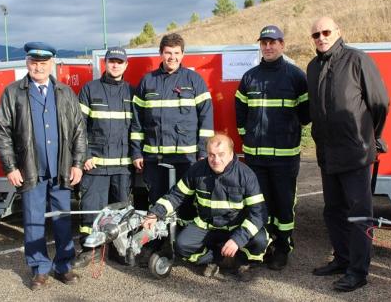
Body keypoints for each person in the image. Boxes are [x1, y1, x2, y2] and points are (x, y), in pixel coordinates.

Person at [307, 17, 389, 292]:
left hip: (355, 153)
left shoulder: (357, 60)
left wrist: (368, 135)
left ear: (338, 32)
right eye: (316, 34)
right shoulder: (312, 67)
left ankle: (358, 271)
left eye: (326, 31)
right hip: (328, 155)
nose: (321, 37)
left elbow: (379, 103)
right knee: (333, 212)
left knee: (358, 215)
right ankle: (341, 260)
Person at [0, 42, 87, 290]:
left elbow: (79, 130)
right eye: (34, 63)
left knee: (62, 219)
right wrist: (10, 167)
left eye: (43, 63)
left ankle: (64, 266)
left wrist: (77, 163)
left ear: (52, 64)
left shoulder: (65, 92)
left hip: (61, 168)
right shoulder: (13, 92)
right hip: (29, 169)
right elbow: (2, 132)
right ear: (27, 64)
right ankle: (39, 268)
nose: (38, 67)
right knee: (34, 220)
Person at [142, 134, 268, 281]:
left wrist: (238, 239)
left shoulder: (246, 175)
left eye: (221, 154)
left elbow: (259, 214)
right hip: (208, 225)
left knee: (260, 240)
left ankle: (243, 261)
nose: (216, 160)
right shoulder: (197, 171)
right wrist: (155, 214)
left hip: (236, 226)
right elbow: (176, 196)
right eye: (211, 155)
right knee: (181, 246)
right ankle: (216, 258)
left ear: (231, 154)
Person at [235, 25, 310, 270]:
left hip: (285, 158)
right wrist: (248, 138)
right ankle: (263, 245)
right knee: (260, 205)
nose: (268, 47)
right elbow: (240, 112)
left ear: (282, 45)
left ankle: (283, 246)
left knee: (284, 204)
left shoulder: (296, 76)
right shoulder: (250, 77)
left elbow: (306, 114)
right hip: (256, 158)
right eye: (264, 43)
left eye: (273, 42)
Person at [131, 33, 214, 223]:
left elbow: (206, 119)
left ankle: (184, 246)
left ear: (183, 54)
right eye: (168, 52)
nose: (172, 57)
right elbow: (137, 122)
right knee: (157, 203)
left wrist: (203, 152)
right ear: (161, 53)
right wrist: (136, 153)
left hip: (186, 159)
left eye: (177, 53)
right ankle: (159, 244)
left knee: (186, 203)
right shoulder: (147, 82)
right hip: (155, 160)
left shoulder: (194, 80)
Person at [74, 47, 133, 266]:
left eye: (120, 61)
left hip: (123, 166)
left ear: (126, 65)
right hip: (95, 165)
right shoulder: (90, 90)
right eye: (111, 61)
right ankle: (89, 249)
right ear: (104, 64)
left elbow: (137, 128)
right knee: (91, 209)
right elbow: (78, 127)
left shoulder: (132, 93)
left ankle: (118, 249)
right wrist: (85, 155)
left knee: (121, 212)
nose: (115, 65)